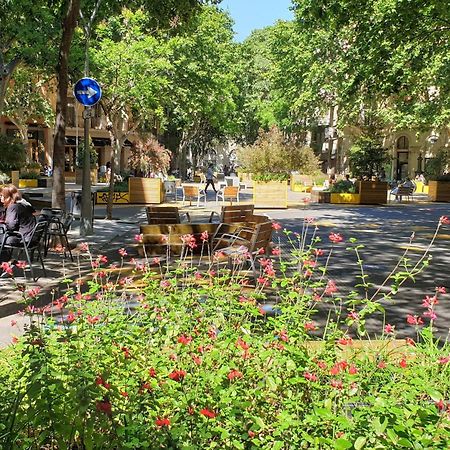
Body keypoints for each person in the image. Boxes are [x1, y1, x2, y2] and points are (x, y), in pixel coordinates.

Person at [0, 185, 36, 262]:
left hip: (23, 238)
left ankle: (4, 263)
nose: (0, 198)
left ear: (8, 197)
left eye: (2, 196)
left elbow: (11, 226)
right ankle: (6, 261)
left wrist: (5, 223)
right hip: (31, 238)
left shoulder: (13, 207)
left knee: (2, 237)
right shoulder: (24, 204)